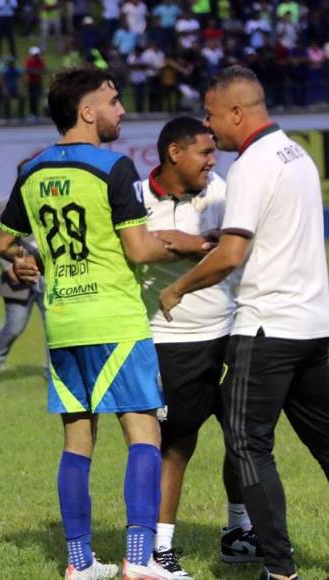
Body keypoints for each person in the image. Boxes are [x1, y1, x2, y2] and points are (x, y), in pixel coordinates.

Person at [0, 67, 182, 579]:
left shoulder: (31, 171)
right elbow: (140, 249)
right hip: (115, 320)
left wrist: (25, 260)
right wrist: (187, 242)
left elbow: (2, 242)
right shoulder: (112, 168)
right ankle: (140, 561)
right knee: (144, 436)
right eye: (114, 101)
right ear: (87, 111)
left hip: (63, 324)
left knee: (77, 443)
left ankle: (80, 563)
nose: (122, 110)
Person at [159, 66, 329, 580]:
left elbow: (231, 253)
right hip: (316, 325)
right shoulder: (297, 153)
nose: (210, 129)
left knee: (248, 444)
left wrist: (177, 287)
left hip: (265, 329)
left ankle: (279, 570)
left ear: (236, 112)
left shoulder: (253, 163)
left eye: (211, 116)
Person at [140, 117, 258, 578]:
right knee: (175, 445)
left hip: (228, 332)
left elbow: (232, 250)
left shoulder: (222, 192)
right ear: (174, 152)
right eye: (204, 153)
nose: (213, 161)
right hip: (168, 339)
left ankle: (237, 532)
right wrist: (199, 245)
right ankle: (160, 547)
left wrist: (192, 242)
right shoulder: (136, 195)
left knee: (244, 440)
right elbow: (136, 248)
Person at [0, 168, 46, 386]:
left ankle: (54, 373)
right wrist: (9, 267)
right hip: (17, 277)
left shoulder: (52, 200)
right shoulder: (5, 205)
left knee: (53, 327)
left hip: (47, 276)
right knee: (15, 325)